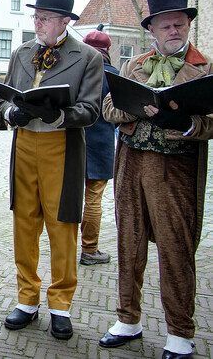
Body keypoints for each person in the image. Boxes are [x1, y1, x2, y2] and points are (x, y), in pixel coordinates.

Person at [99, 0, 211, 359]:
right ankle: (128, 320)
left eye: (180, 23)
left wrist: (186, 123)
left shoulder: (205, 69)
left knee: (175, 248)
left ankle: (180, 332)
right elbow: (108, 108)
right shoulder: (134, 65)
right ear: (152, 30)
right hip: (130, 164)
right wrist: (134, 108)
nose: (174, 30)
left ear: (188, 25)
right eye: (166, 24)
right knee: (129, 243)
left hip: (175, 171)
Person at [0, 0, 103, 340]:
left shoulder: (88, 57)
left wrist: (58, 115)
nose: (37, 23)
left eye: (44, 18)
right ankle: (27, 299)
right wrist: (12, 112)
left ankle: (60, 303)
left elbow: (91, 109)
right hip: (25, 144)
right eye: (36, 17)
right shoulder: (22, 52)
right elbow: (4, 97)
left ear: (64, 21)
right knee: (24, 224)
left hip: (62, 146)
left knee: (62, 227)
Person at [79, 26, 119, 265]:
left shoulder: (77, 73)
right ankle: (89, 249)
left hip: (74, 141)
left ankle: (63, 245)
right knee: (93, 198)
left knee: (70, 197)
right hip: (101, 143)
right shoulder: (114, 75)